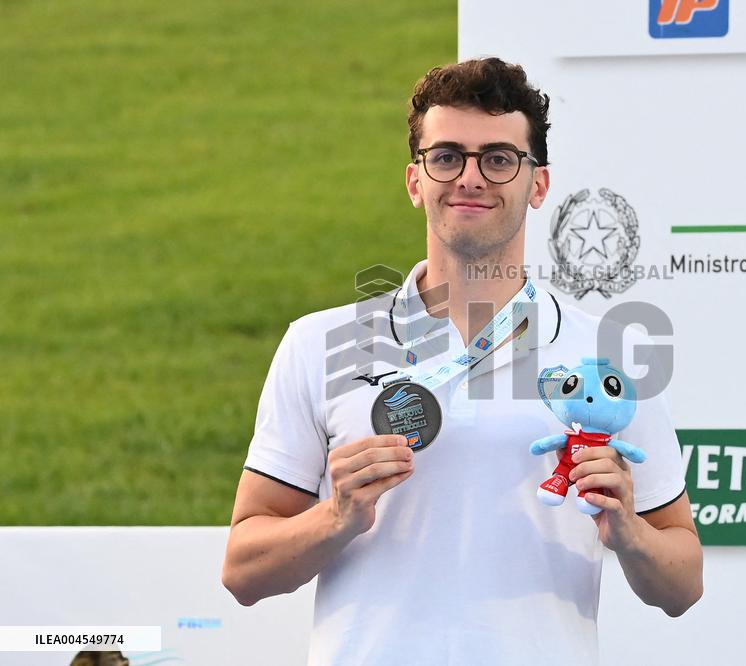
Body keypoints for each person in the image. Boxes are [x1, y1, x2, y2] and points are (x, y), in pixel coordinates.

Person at [222, 57, 703, 665]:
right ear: (414, 180)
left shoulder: (608, 353)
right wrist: (336, 516)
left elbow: (683, 584)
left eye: (499, 159)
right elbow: (243, 570)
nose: (470, 178)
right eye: (447, 156)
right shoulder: (322, 343)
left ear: (539, 185)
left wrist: (628, 533)